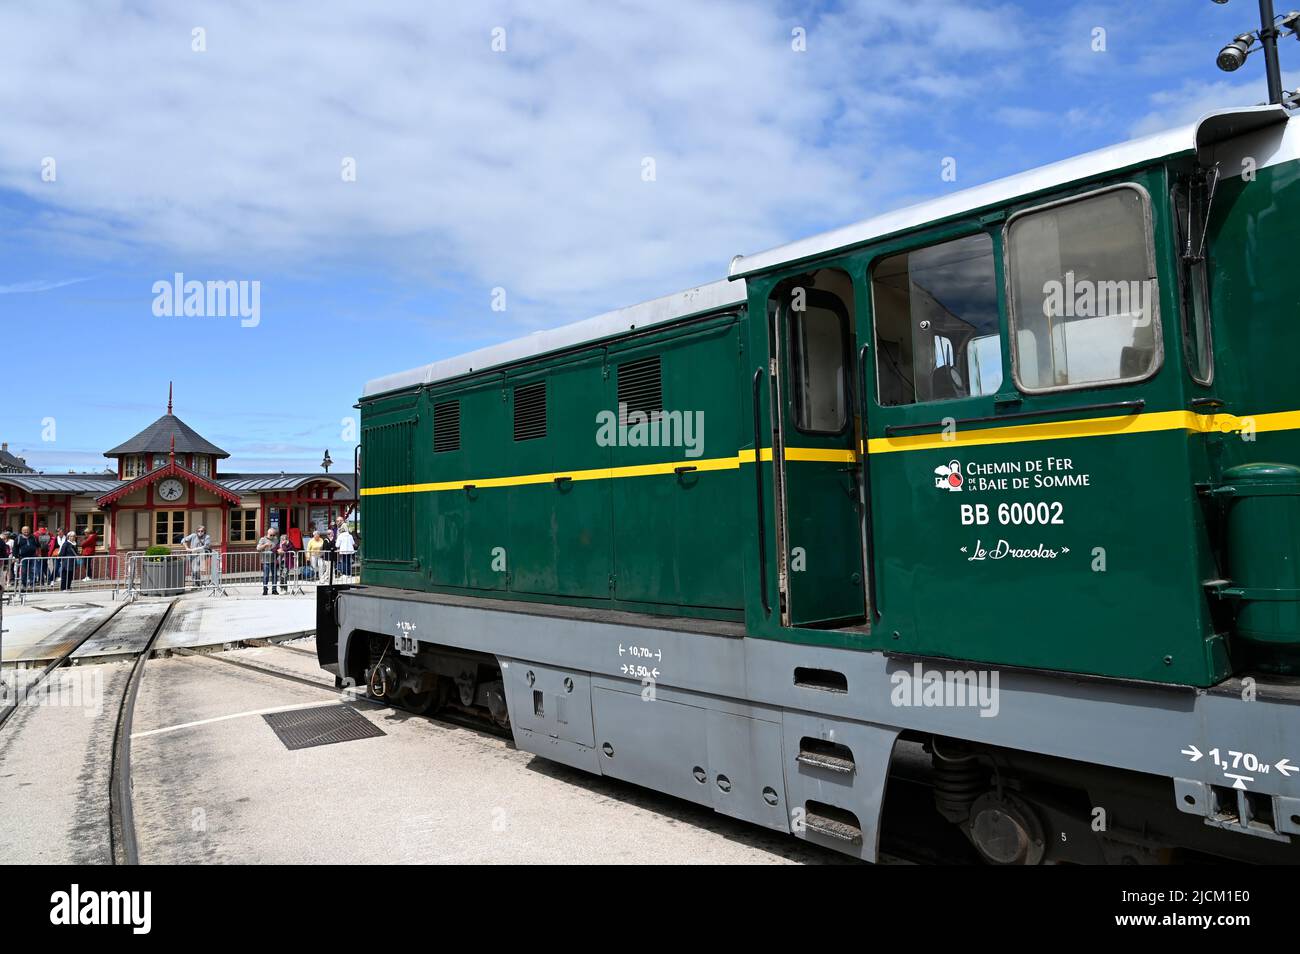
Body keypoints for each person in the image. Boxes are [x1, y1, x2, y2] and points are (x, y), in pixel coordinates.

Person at [257, 527, 281, 595]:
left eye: (274, 535)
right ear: (268, 534)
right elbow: (258, 548)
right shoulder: (263, 539)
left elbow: (278, 547)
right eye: (271, 535)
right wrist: (265, 545)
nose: (272, 537)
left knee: (275, 575)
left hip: (273, 560)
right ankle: (265, 589)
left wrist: (279, 550)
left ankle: (274, 589)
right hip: (265, 561)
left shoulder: (276, 539)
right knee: (266, 576)